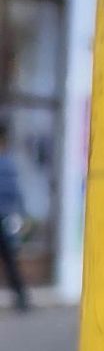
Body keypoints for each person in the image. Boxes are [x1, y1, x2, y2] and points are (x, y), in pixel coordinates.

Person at [0, 121, 30, 312]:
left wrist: (23, 215)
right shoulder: (9, 163)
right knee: (10, 258)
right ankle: (21, 296)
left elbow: (16, 193)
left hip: (5, 218)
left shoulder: (8, 163)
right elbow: (18, 194)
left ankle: (21, 296)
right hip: (6, 217)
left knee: (10, 258)